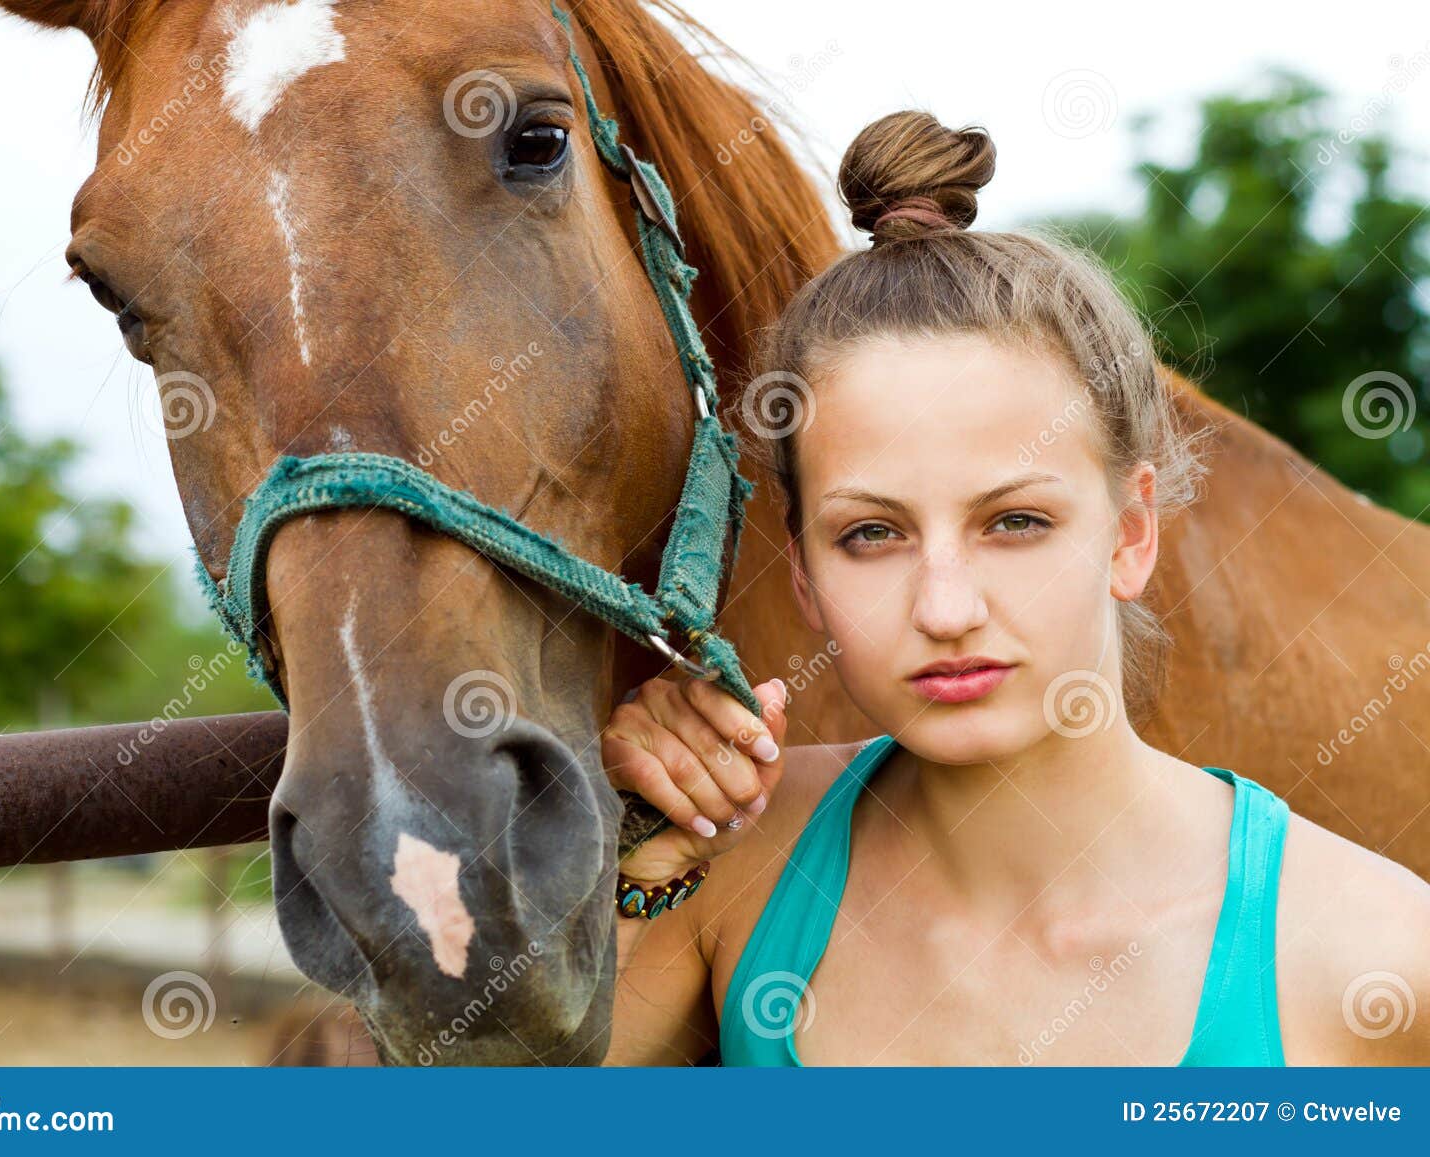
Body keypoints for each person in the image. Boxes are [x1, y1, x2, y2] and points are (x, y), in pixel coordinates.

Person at [600, 110, 1430, 1067]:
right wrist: (640, 872)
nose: (945, 609)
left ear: (1130, 533)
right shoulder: (727, 870)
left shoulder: (1372, 961)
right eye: (871, 534)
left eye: (1015, 523)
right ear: (804, 574)